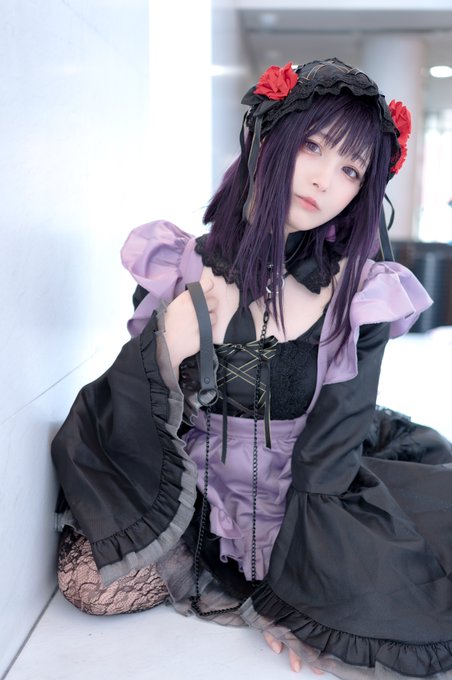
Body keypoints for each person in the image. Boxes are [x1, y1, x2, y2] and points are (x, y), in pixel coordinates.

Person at [52, 58, 452, 678]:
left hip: (304, 494)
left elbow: (330, 454)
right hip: (194, 492)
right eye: (313, 146)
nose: (323, 180)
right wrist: (165, 346)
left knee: (411, 601)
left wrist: (299, 597)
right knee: (89, 587)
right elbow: (126, 412)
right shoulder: (179, 264)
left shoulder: (361, 292)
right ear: (270, 137)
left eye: (351, 170)